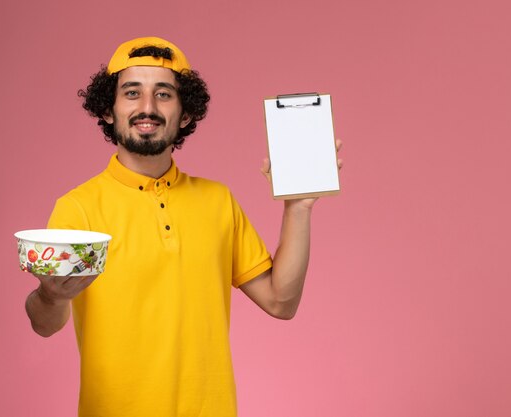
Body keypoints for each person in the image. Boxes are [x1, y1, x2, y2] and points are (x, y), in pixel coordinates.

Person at [25, 36, 340, 417]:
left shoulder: (217, 201)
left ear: (185, 113)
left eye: (163, 94)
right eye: (131, 93)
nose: (147, 108)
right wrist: (52, 297)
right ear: (108, 110)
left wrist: (298, 207)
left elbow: (280, 301)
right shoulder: (77, 209)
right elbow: (44, 324)